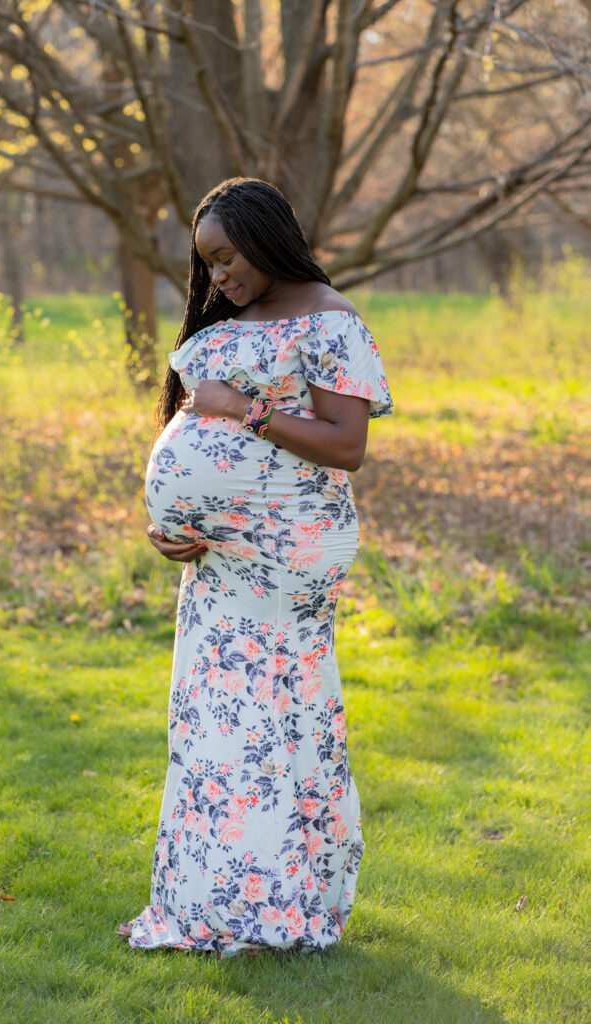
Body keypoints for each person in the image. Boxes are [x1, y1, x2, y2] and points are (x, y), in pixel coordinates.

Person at [118, 177, 393, 957]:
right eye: (206, 264)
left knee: (267, 725)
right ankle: (208, 902)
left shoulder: (329, 318)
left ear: (267, 235)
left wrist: (243, 409)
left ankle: (274, 906)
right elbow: (191, 438)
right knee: (210, 727)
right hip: (215, 564)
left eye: (227, 256)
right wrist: (171, 524)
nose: (218, 277)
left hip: (284, 560)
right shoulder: (227, 324)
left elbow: (347, 445)